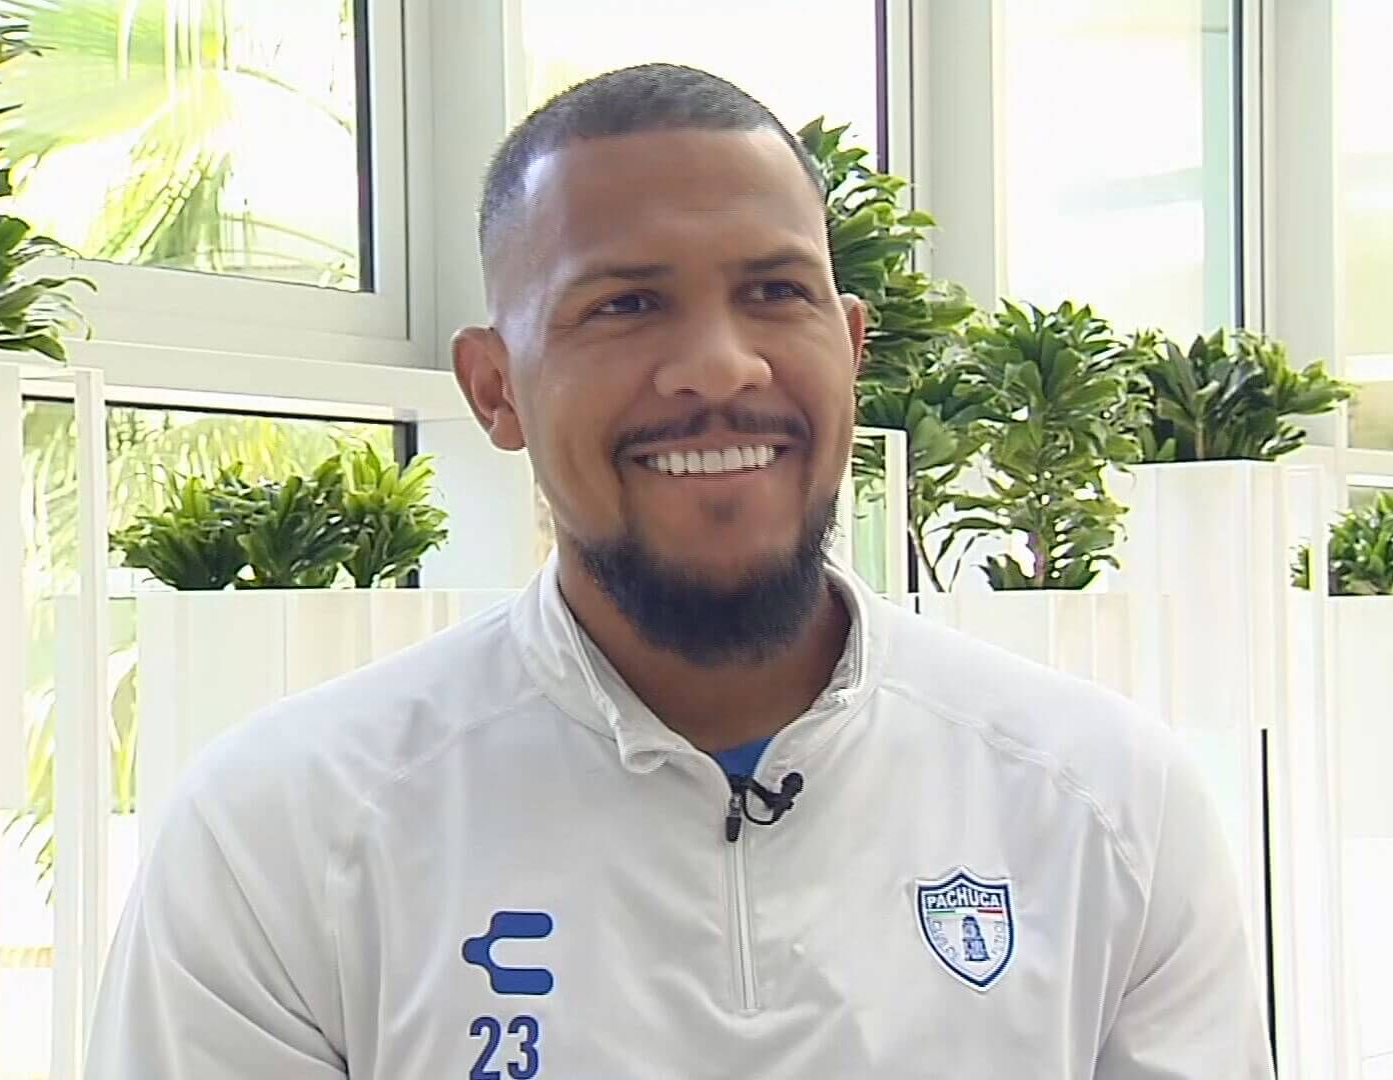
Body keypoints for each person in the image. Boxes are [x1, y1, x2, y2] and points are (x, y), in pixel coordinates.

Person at [85, 63, 1272, 1078]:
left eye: (774, 293)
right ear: (495, 387)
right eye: (627, 304)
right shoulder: (285, 832)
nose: (718, 366)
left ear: (852, 350)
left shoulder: (1102, 803)